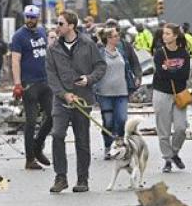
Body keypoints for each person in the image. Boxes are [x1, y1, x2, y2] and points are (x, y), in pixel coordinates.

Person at [46, 10, 106, 193]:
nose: (57, 27)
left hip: (83, 99)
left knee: (82, 139)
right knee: (57, 135)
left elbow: (101, 66)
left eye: (61, 24)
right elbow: (51, 75)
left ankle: (82, 179)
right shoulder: (53, 48)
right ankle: (61, 177)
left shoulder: (88, 44)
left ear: (71, 26)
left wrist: (89, 79)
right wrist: (64, 94)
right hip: (61, 100)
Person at [11, 5, 53, 170]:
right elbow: (15, 60)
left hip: (45, 81)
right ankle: (30, 159)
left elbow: (48, 54)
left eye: (32, 17)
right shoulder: (19, 37)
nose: (29, 20)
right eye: (27, 17)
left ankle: (37, 145)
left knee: (52, 116)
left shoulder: (42, 31)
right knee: (31, 121)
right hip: (29, 84)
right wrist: (17, 84)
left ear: (38, 17)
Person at [152, 24, 190, 173]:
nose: (164, 36)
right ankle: (167, 159)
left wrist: (169, 70)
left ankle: (174, 152)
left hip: (180, 93)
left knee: (181, 128)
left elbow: (184, 75)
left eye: (168, 34)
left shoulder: (183, 54)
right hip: (162, 93)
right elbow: (161, 74)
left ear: (175, 36)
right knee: (164, 130)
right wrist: (174, 72)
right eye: (164, 34)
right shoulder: (160, 53)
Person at [96, 26, 131, 160]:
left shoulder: (122, 51)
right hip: (105, 93)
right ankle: (107, 146)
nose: (118, 38)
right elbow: (95, 70)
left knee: (122, 119)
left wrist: (133, 81)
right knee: (108, 122)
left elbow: (128, 68)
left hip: (121, 91)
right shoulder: (100, 54)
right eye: (115, 36)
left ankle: (120, 144)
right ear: (109, 39)